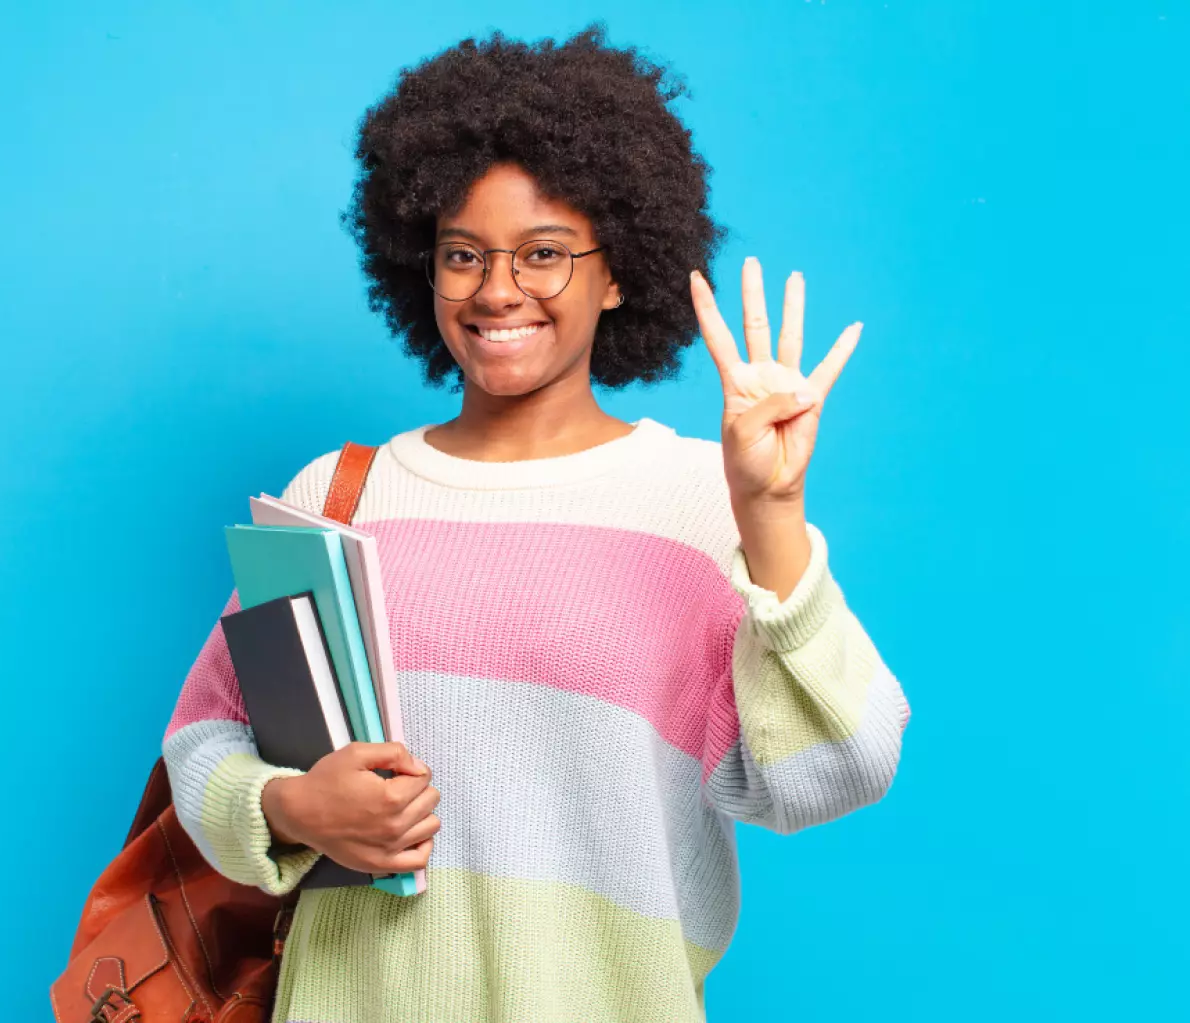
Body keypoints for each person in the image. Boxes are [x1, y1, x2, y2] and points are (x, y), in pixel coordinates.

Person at [162, 24, 910, 1023]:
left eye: (545, 254)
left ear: (618, 274)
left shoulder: (700, 501)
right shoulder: (339, 493)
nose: (497, 289)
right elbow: (204, 739)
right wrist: (290, 808)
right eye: (463, 253)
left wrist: (771, 514)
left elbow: (838, 771)